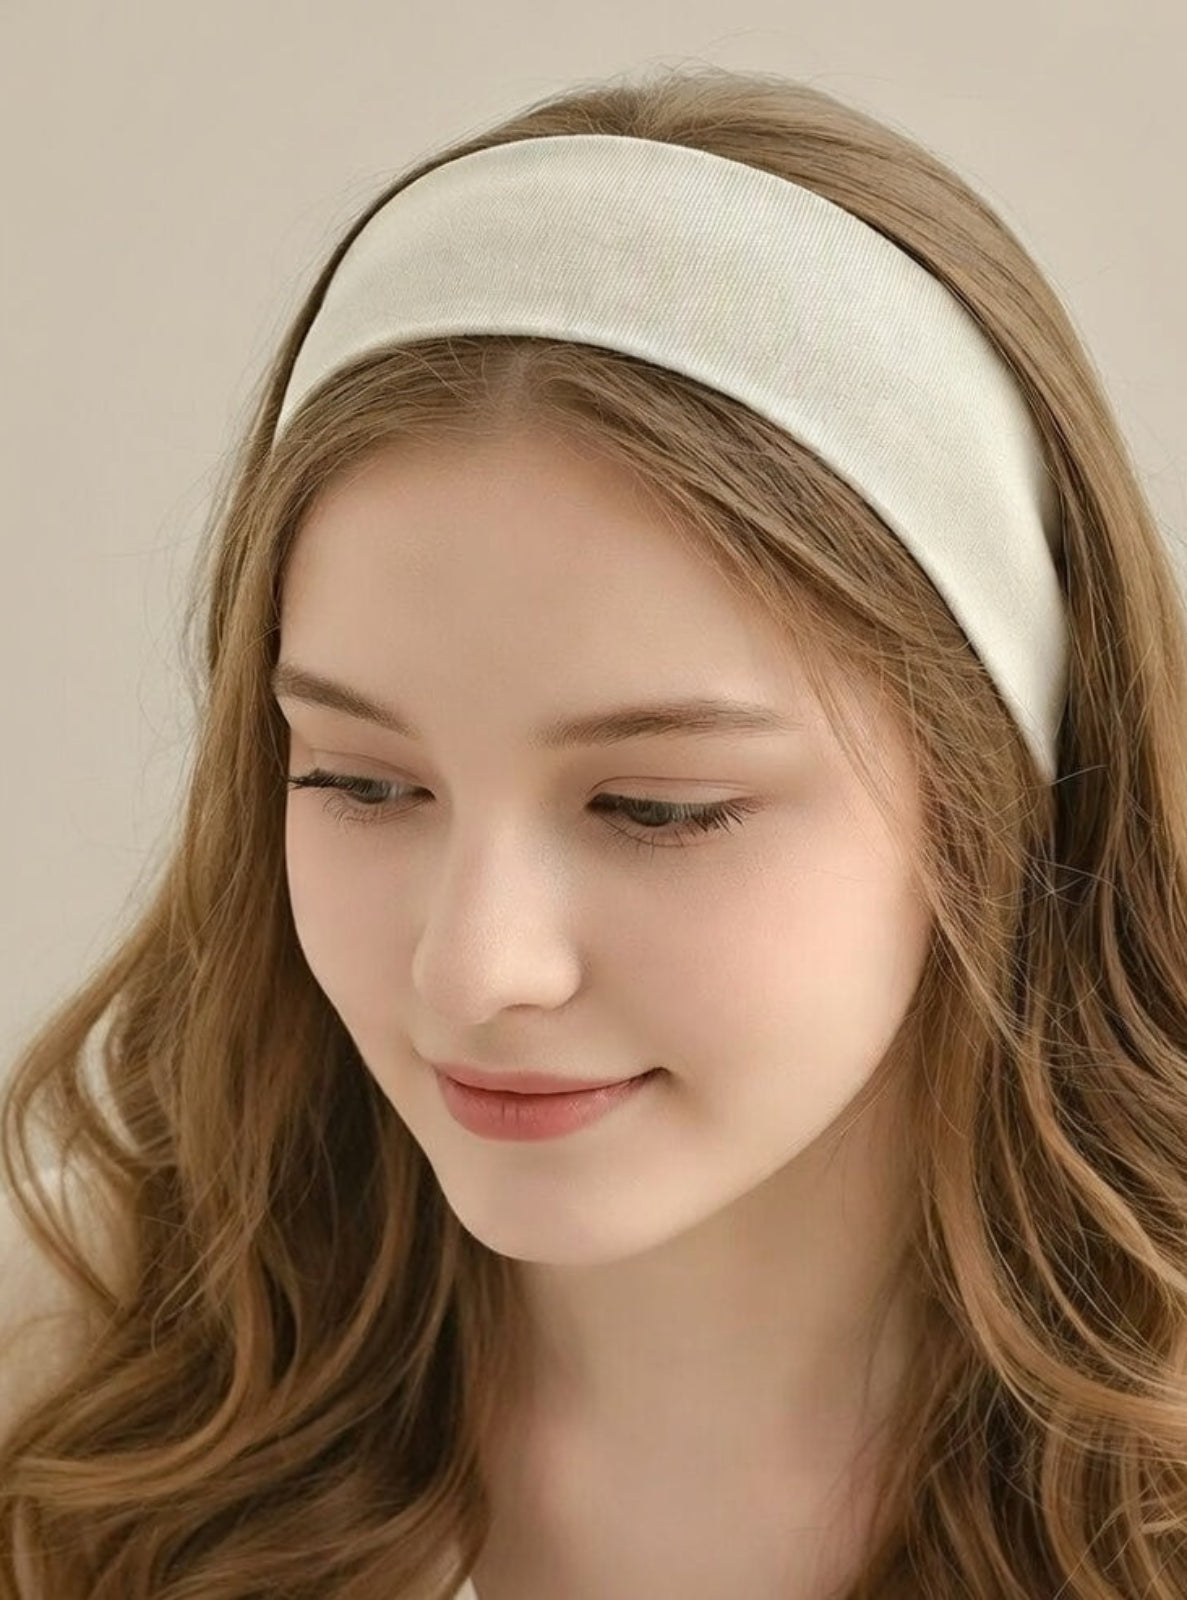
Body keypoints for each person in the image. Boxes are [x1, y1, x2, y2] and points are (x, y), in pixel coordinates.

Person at [3, 62, 1187, 1600]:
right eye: (363, 782)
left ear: (1007, 794)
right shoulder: (67, 1405)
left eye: (658, 807)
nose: (474, 966)